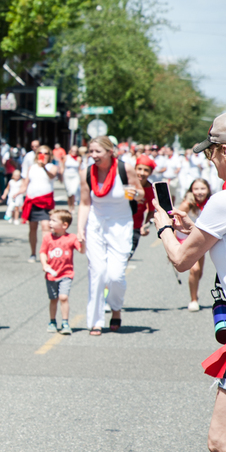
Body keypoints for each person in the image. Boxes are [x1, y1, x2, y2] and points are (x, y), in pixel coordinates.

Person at [151, 111, 226, 452]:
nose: (209, 159)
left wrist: (163, 228)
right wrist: (193, 227)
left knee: (221, 442)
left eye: (210, 151)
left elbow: (182, 259)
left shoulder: (224, 201)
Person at [78, 135, 141, 336]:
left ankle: (115, 309)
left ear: (109, 152)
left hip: (121, 226)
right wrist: (80, 229)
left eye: (97, 151)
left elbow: (140, 194)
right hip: (96, 225)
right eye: (91, 151)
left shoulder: (125, 168)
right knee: (97, 272)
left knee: (115, 276)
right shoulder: (87, 172)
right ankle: (95, 321)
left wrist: (134, 193)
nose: (93, 155)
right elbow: (85, 203)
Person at [39, 209, 81, 335]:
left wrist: (82, 241)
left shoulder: (71, 238)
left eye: (53, 220)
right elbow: (42, 252)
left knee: (63, 297)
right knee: (53, 299)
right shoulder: (48, 238)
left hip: (66, 274)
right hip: (51, 275)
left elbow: (82, 250)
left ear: (64, 225)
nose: (50, 223)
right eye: (50, 220)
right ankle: (52, 321)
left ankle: (65, 322)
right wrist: (44, 264)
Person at [174, 178, 212, 311]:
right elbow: (174, 225)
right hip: (185, 240)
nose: (199, 192)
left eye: (202, 188)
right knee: (194, 269)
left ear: (208, 190)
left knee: (199, 272)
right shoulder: (187, 204)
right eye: (196, 189)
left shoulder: (211, 203)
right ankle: (193, 300)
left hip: (200, 241)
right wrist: (172, 248)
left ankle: (194, 289)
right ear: (191, 190)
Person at [16, 145, 58, 262]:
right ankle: (33, 253)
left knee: (46, 226)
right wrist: (18, 193)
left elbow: (52, 176)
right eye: (41, 153)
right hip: (32, 200)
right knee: (32, 228)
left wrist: (44, 167)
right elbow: (26, 183)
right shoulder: (32, 168)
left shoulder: (52, 167)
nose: (43, 155)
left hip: (46, 201)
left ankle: (45, 252)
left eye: (46, 153)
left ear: (50, 155)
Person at [129, 154, 157, 261]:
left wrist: (145, 226)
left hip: (136, 227)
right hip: (121, 223)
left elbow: (151, 211)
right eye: (139, 169)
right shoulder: (127, 183)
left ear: (150, 173)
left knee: (128, 255)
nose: (141, 173)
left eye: (146, 170)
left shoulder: (150, 190)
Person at [62, 145, 82, 213]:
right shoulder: (66, 157)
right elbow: (63, 167)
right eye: (73, 150)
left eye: (76, 151)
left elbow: (79, 169)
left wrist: (81, 178)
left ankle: (73, 207)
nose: (74, 152)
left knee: (73, 191)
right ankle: (69, 207)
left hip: (75, 176)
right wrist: (61, 176)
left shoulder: (79, 158)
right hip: (67, 176)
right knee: (69, 193)